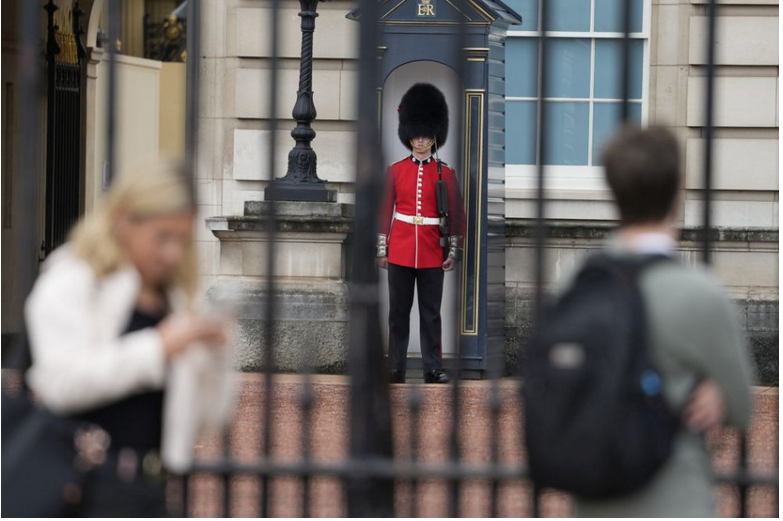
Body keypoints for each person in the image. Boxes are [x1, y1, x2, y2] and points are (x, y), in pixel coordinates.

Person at [23, 160, 235, 517]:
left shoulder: (176, 296)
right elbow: (59, 383)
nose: (173, 254)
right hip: (79, 487)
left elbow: (206, 420)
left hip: (152, 488)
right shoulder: (74, 278)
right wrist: (159, 347)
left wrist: (215, 358)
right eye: (162, 237)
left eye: (182, 240)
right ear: (124, 220)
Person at [575, 127, 755, 517]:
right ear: (676, 193)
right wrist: (716, 390)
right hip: (674, 497)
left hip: (594, 501)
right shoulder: (699, 292)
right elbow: (742, 407)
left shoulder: (577, 282)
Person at [377, 83, 465, 384]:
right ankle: (396, 366)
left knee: (431, 315)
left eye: (426, 135)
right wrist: (382, 249)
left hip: (431, 252)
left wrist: (453, 251)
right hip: (400, 249)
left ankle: (432, 367)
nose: (421, 140)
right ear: (408, 134)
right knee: (398, 315)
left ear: (434, 135)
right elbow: (383, 211)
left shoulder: (446, 173)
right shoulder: (395, 171)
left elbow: (457, 215)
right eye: (416, 135)